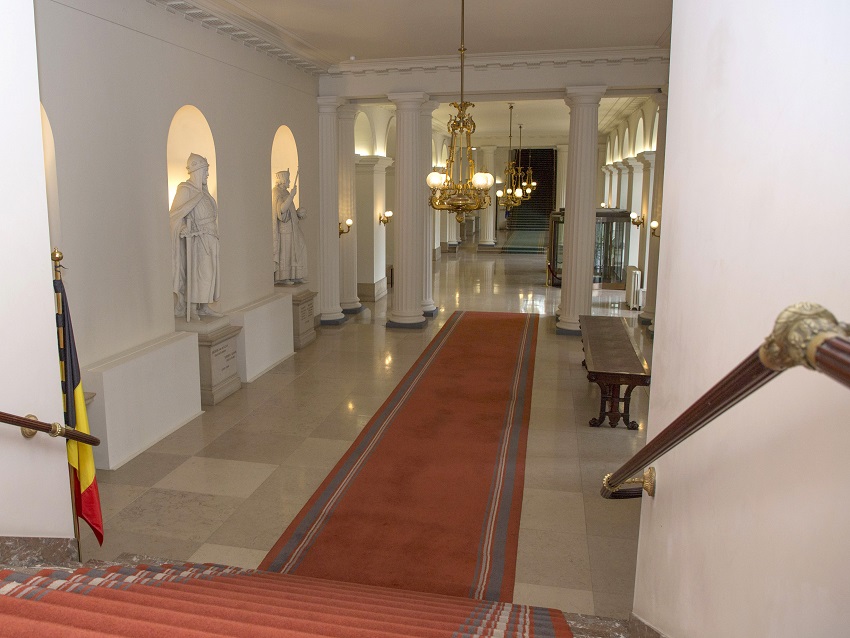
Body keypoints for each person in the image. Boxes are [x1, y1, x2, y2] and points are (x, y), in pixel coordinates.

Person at [170, 153, 222, 319]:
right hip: (197, 238)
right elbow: (175, 215)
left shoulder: (204, 193)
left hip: (210, 236)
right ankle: (191, 307)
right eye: (205, 170)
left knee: (210, 272)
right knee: (200, 272)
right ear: (197, 170)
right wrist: (184, 227)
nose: (207, 174)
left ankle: (204, 305)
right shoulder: (185, 190)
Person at [273, 169, 307, 285]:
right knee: (286, 253)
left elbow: (288, 211)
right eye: (287, 179)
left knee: (298, 249)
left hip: (293, 227)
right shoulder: (276, 192)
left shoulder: (286, 193)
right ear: (282, 180)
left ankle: (295, 274)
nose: (289, 181)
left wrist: (297, 213)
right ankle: (283, 276)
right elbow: (281, 210)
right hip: (284, 230)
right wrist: (292, 196)